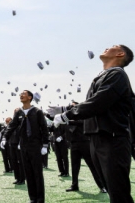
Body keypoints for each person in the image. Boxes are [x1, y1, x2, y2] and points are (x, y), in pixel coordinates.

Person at [53, 44, 134, 203]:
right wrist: (66, 109)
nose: (106, 47)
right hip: (97, 139)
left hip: (112, 140)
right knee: (112, 190)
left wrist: (66, 115)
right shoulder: (104, 75)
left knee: (119, 194)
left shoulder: (117, 75)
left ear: (120, 54)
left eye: (113, 46)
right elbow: (92, 106)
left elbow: (97, 103)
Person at [2, 90, 49, 203]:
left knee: (37, 173)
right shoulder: (19, 112)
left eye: (24, 94)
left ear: (30, 97)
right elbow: (12, 126)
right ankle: (32, 198)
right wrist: (4, 138)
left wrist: (45, 145)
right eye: (20, 94)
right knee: (28, 172)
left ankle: (40, 199)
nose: (21, 95)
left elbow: (44, 128)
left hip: (35, 146)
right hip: (23, 146)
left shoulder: (37, 111)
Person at [64, 102, 105, 193]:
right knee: (74, 166)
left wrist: (66, 120)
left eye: (73, 105)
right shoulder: (69, 117)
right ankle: (74, 185)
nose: (71, 107)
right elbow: (59, 120)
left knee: (92, 165)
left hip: (84, 143)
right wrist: (48, 115)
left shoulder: (83, 115)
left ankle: (102, 186)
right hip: (74, 144)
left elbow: (80, 122)